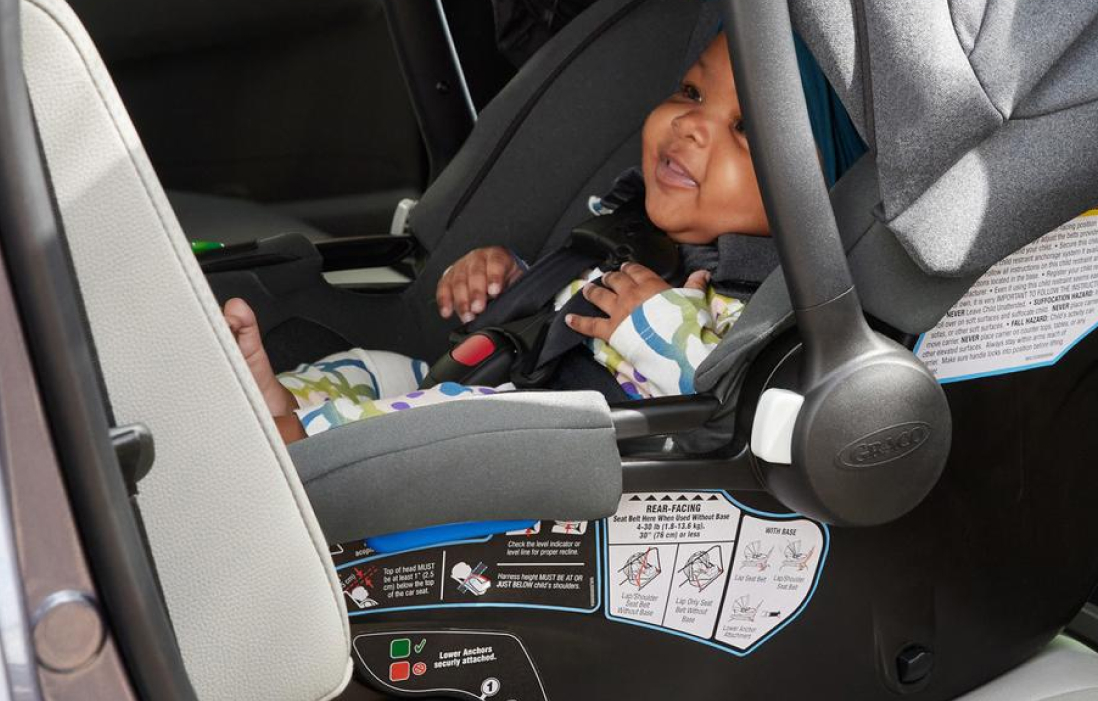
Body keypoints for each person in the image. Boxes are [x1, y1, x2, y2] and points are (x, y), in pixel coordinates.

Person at [226, 25, 863, 443]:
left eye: (743, 127)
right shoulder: (633, 220)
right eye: (691, 91)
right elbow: (574, 305)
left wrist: (650, 323)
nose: (692, 125)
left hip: (545, 442)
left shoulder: (767, 298)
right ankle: (281, 400)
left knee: (427, 421)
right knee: (374, 370)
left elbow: (725, 411)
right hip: (505, 382)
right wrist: (513, 280)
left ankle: (298, 445)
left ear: (815, 190)